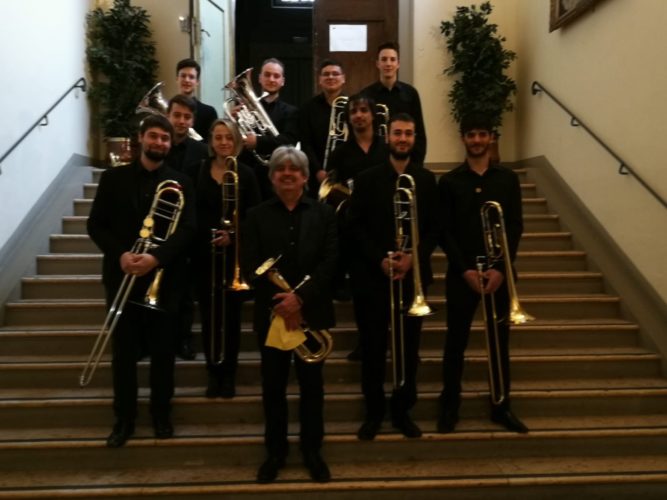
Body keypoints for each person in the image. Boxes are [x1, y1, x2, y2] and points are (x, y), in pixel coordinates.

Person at [87, 114, 196, 448]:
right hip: (123, 276)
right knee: (123, 354)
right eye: (153, 136)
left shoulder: (181, 182)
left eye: (164, 138)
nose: (159, 143)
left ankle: (161, 415)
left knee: (163, 354)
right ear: (141, 139)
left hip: (165, 282)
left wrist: (156, 258)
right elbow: (96, 226)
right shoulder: (112, 179)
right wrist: (121, 254)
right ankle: (125, 419)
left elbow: (188, 229)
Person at [243, 146, 337, 484]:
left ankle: (312, 450)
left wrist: (300, 299)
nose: (287, 173)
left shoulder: (324, 214)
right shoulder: (255, 215)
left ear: (305, 177)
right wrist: (282, 305)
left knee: (313, 389)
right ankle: (276, 453)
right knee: (273, 388)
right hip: (273, 316)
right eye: (280, 169)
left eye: (294, 169)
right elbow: (251, 267)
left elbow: (330, 264)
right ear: (271, 177)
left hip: (313, 313)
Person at [347, 113, 439, 441]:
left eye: (409, 134)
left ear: (415, 138)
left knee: (408, 349)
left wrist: (414, 256)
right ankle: (373, 413)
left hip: (412, 276)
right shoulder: (368, 178)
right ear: (388, 136)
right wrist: (379, 259)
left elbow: (434, 228)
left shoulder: (427, 180)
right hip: (374, 277)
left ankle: (403, 411)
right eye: (398, 133)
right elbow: (354, 226)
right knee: (372, 348)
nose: (403, 139)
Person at [437, 113, 528, 434]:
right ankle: (449, 406)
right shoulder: (449, 182)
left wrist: (501, 269)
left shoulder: (507, 179)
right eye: (471, 134)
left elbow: (515, 226)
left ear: (491, 138)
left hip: (499, 274)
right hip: (464, 274)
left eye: (482, 134)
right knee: (455, 342)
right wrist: (465, 271)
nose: (477, 140)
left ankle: (501, 405)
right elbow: (444, 232)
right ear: (463, 138)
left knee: (499, 342)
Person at [185, 118, 260, 399]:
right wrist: (208, 233)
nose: (224, 143)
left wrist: (234, 236)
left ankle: (229, 374)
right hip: (205, 255)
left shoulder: (248, 174)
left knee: (231, 320)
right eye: (218, 137)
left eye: (229, 137)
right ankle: (212, 372)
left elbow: (254, 218)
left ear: (237, 140)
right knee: (208, 318)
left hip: (234, 258)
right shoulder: (196, 171)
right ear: (210, 141)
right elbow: (189, 213)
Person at [325, 93, 390, 358]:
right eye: (354, 112)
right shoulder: (341, 153)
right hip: (354, 228)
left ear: (373, 115)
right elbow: (330, 188)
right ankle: (366, 342)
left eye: (364, 110)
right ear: (349, 118)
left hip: (384, 227)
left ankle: (386, 339)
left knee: (385, 294)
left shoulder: (387, 149)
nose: (359, 115)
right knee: (363, 295)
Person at [163, 94, 209, 360]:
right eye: (177, 115)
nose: (181, 121)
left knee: (184, 294)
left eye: (186, 117)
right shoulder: (159, 145)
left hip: (189, 230)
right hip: (160, 229)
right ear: (169, 116)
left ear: (192, 120)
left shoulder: (201, 150)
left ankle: (184, 339)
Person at [238, 58, 299, 200]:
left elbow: (289, 141)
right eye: (267, 74)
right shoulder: (244, 108)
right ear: (259, 78)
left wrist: (258, 142)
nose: (271, 79)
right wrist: (235, 122)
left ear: (282, 81)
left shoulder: (291, 112)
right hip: (248, 173)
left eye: (276, 76)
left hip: (277, 176)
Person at [362, 42, 427, 164]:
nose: (388, 64)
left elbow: (420, 133)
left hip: (406, 159)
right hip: (375, 161)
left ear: (398, 64)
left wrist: (416, 163)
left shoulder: (411, 93)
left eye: (392, 59)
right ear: (378, 64)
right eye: (384, 59)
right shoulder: (366, 95)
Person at [298, 59, 346, 195]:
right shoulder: (307, 108)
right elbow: (306, 144)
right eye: (326, 74)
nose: (330, 77)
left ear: (343, 79)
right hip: (317, 177)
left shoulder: (352, 106)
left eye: (335, 74)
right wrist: (318, 170)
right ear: (320, 80)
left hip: (346, 174)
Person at [176, 58, 218, 141]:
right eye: (183, 76)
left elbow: (212, 144)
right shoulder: (169, 111)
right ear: (177, 79)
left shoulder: (209, 112)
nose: (187, 80)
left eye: (191, 77)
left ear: (197, 82)